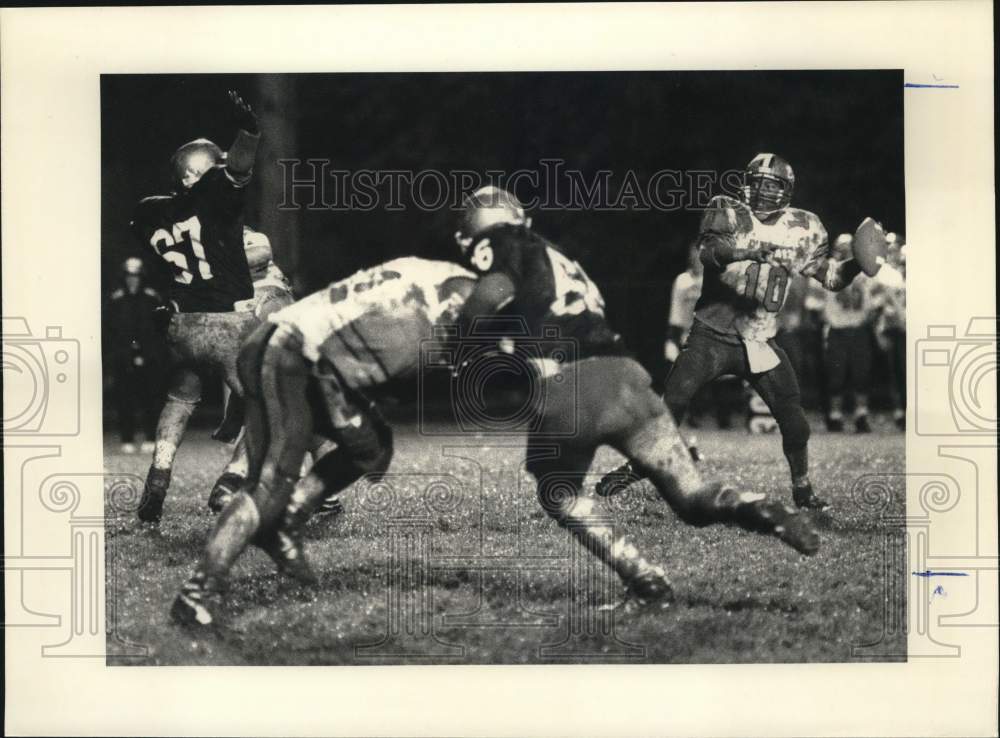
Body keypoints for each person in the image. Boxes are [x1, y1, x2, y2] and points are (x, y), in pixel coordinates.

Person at [449, 188, 818, 602]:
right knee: (691, 496)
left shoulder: (502, 240)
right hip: (627, 378)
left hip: (572, 388)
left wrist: (458, 342)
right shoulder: (557, 257)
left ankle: (643, 578)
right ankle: (758, 506)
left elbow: (491, 293)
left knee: (559, 492)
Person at [171, 257, 479, 626]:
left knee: (373, 445)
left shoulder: (429, 275)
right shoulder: (412, 326)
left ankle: (288, 519)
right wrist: (343, 418)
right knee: (273, 480)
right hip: (286, 354)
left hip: (296, 349)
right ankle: (196, 592)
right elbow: (334, 367)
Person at [598, 154, 871, 511]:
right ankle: (641, 465)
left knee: (794, 419)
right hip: (713, 333)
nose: (761, 190)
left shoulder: (805, 226)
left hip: (759, 338)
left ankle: (803, 490)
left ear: (786, 190)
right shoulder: (727, 210)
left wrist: (858, 265)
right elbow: (709, 253)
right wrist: (753, 248)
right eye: (756, 182)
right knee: (675, 401)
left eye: (770, 184)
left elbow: (830, 277)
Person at [132, 90, 262, 524]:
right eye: (216, 166)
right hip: (227, 320)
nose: (223, 170)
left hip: (180, 324)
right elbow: (239, 170)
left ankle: (159, 476)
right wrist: (250, 133)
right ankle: (229, 482)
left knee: (180, 398)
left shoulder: (149, 212)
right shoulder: (216, 197)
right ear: (201, 175)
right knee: (268, 405)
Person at [105, 257, 166, 453]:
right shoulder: (116, 300)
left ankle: (150, 437)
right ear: (124, 278)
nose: (133, 280)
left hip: (149, 356)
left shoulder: (151, 299)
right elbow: (110, 330)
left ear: (142, 278)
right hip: (123, 357)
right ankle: (127, 439)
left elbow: (158, 330)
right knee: (124, 399)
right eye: (129, 276)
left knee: (151, 398)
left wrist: (151, 352)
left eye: (136, 276)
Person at [821, 234, 877, 433]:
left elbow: (874, 300)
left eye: (849, 247)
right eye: (842, 247)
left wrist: (869, 318)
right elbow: (815, 302)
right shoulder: (827, 268)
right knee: (836, 376)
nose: (846, 251)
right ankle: (835, 416)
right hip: (837, 329)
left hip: (858, 329)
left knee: (861, 374)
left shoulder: (865, 270)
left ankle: (861, 415)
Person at [871, 234, 906, 430]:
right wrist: (878, 331)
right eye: (888, 249)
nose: (891, 253)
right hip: (892, 327)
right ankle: (900, 411)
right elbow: (877, 305)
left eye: (894, 248)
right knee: (897, 371)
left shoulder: (908, 269)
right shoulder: (883, 273)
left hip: (913, 326)